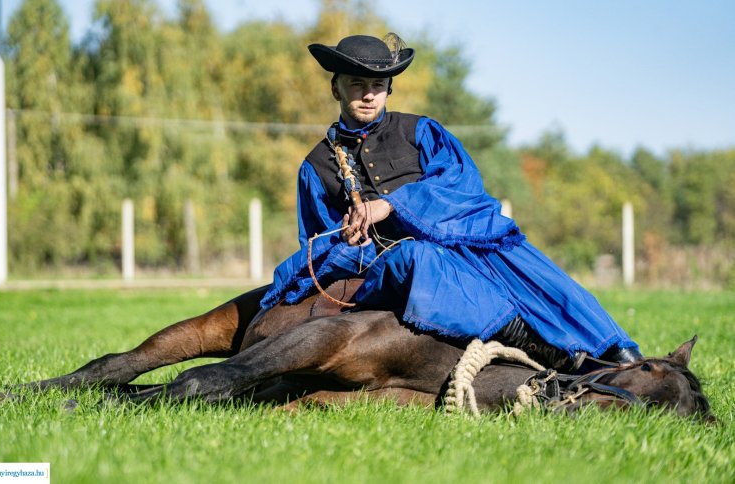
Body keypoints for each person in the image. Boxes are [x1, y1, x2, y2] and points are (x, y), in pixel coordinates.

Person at [260, 33, 643, 370]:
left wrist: (390, 204)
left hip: (459, 235)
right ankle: (534, 345)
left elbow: (461, 184)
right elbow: (316, 242)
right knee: (416, 259)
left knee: (529, 268)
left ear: (389, 88)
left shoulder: (421, 132)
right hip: (388, 268)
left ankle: (614, 352)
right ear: (335, 89)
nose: (367, 94)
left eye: (377, 84)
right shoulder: (315, 167)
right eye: (356, 83)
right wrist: (349, 243)